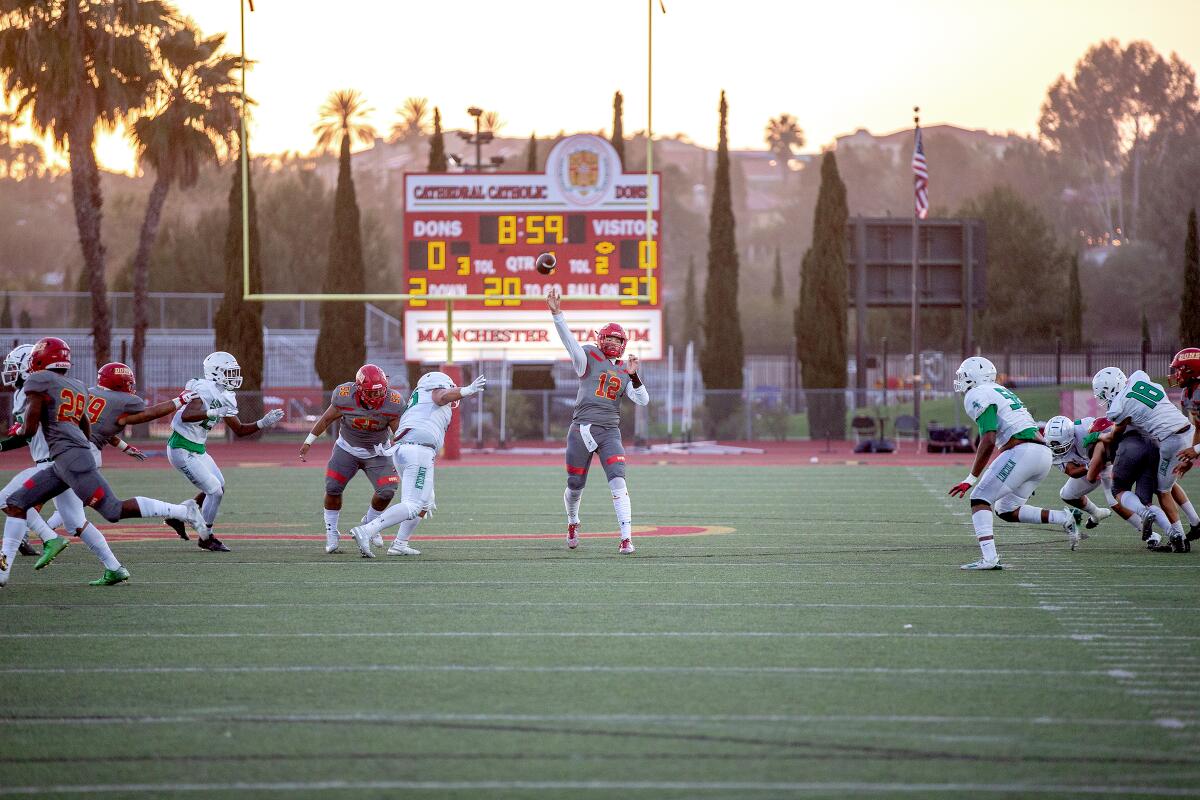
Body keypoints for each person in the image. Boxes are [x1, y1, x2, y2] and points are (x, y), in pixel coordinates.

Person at [0, 338, 205, 587]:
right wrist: (83, 444)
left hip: (66, 461)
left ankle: (184, 511)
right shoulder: (75, 385)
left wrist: (18, 435)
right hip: (69, 460)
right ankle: (110, 567)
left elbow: (31, 430)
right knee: (29, 506)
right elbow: (88, 424)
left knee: (112, 511)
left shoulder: (40, 382)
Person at [948, 356, 1078, 570]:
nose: (961, 381)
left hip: (1023, 452)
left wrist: (971, 478)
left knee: (980, 498)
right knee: (1007, 509)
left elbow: (988, 438)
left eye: (964, 376)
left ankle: (989, 559)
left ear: (975, 377)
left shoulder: (977, 394)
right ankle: (1065, 517)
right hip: (1042, 454)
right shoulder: (1002, 391)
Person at [546, 287, 649, 554]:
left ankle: (626, 538)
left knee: (618, 480)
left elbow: (642, 400)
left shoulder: (625, 370)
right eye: (609, 338)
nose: (614, 343)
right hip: (581, 429)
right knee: (575, 485)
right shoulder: (588, 357)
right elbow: (568, 341)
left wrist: (635, 376)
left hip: (609, 431)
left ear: (624, 343)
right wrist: (557, 314)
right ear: (600, 339)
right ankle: (572, 521)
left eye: (618, 339)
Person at [349, 370, 486, 557]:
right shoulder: (435, 392)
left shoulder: (420, 398)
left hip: (406, 450)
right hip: (418, 451)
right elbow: (443, 395)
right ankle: (367, 530)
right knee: (413, 505)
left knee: (424, 503)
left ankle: (399, 544)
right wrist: (466, 390)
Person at [167, 351, 284, 552]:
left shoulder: (228, 396)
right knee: (215, 491)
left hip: (197, 449)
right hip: (181, 448)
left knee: (219, 485)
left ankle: (179, 515)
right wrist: (212, 412)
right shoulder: (203, 388)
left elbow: (238, 429)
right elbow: (187, 416)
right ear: (215, 373)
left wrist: (262, 423)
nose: (234, 376)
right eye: (229, 372)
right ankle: (206, 537)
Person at [299, 364, 403, 554]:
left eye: (381, 392)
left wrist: (399, 448)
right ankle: (332, 531)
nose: (378, 397)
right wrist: (308, 442)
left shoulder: (393, 401)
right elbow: (326, 419)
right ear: (359, 389)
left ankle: (370, 524)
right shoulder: (345, 395)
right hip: (347, 449)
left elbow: (399, 433)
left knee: (387, 491)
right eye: (372, 393)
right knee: (332, 487)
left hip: (377, 453)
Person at [1093, 366, 1194, 553]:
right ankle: (1190, 525)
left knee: (1162, 490)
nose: (1102, 399)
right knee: (1163, 486)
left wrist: (1099, 437)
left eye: (1102, 394)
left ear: (1110, 389)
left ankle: (1178, 537)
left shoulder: (1118, 407)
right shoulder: (1139, 377)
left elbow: (1114, 435)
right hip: (1184, 430)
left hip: (1170, 440)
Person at [0, 343, 69, 561]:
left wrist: (17, 432)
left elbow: (27, 432)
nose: (8, 372)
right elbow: (28, 434)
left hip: (50, 462)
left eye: (13, 366)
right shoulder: (33, 390)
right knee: (77, 520)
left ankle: (49, 537)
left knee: (8, 499)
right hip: (63, 460)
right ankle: (114, 567)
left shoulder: (31, 391)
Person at [1044, 415, 1114, 529]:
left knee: (1116, 502)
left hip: (1107, 463)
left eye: (1061, 447)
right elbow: (1072, 471)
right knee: (1067, 495)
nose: (1058, 451)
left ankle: (1151, 536)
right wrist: (1089, 465)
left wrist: (1101, 459)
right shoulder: (1050, 449)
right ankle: (1096, 513)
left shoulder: (1086, 427)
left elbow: (1110, 433)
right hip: (1089, 467)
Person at [1167, 347, 1200, 542]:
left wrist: (1195, 450)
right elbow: (1199, 427)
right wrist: (1191, 458)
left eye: (1179, 369)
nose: (1175, 374)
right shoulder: (1188, 394)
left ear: (1192, 371)